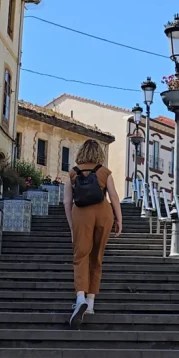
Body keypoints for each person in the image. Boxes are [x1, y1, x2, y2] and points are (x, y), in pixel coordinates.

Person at [64, 139, 122, 327]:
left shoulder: (73, 173)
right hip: (103, 214)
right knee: (96, 258)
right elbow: (113, 196)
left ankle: (80, 297)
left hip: (81, 213)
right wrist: (119, 219)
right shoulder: (104, 172)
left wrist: (72, 224)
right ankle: (90, 303)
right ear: (99, 154)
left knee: (80, 256)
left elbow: (67, 201)